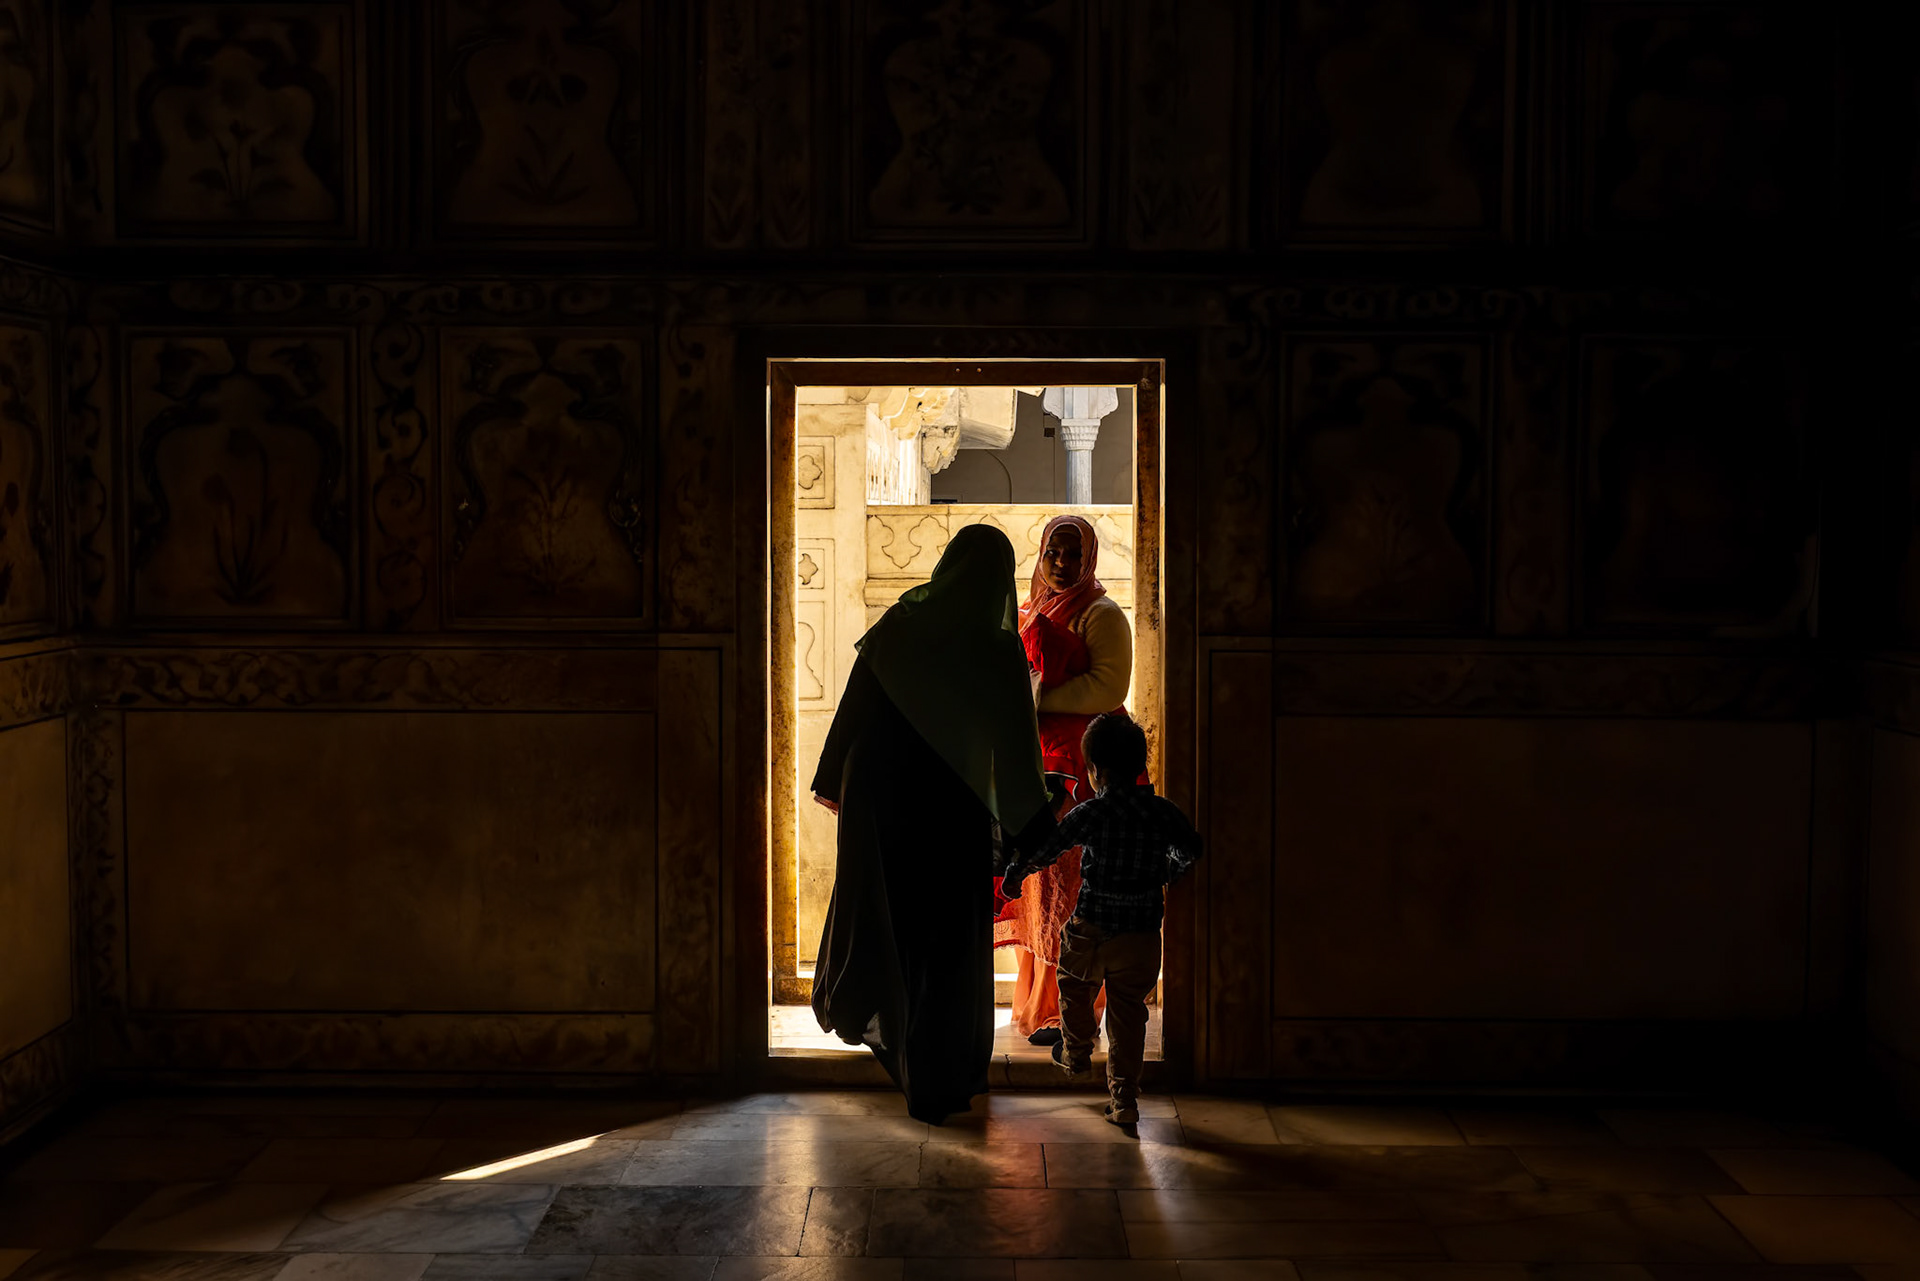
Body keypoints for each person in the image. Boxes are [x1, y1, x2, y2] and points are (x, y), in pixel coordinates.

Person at [810, 524, 1056, 1124]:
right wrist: (1032, 824)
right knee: (946, 940)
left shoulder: (900, 626)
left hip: (881, 802)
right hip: (951, 811)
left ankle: (891, 1037)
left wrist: (833, 783)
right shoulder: (997, 650)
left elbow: (853, 713)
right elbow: (1015, 748)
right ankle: (941, 1074)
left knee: (892, 920)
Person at [1001, 713, 1201, 1127]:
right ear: (1140, 766)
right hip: (1142, 935)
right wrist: (1169, 869)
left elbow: (1048, 848)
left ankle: (1076, 1051)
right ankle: (1124, 1100)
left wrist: (1015, 875)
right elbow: (1191, 848)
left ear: (1096, 771)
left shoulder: (1092, 812)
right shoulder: (1162, 812)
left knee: (1073, 987)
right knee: (1129, 1015)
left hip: (1091, 928)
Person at [995, 514, 1133, 1045]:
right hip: (1038, 764)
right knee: (1040, 881)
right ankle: (1038, 1006)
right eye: (1054, 551)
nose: (1061, 563)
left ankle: (1069, 1013)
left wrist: (1031, 702)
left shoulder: (1100, 614)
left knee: (1074, 884)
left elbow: (1106, 687)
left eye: (1073, 554)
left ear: (1089, 558)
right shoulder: (1031, 609)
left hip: (1083, 770)